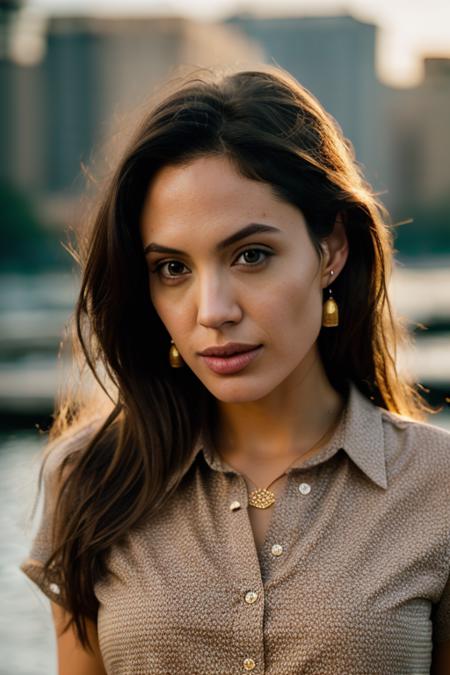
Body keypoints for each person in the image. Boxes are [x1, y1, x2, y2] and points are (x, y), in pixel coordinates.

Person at [20, 65, 450, 675]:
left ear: (330, 250)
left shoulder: (439, 488)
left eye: (251, 255)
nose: (213, 311)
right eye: (173, 269)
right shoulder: (91, 478)